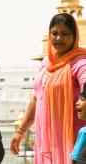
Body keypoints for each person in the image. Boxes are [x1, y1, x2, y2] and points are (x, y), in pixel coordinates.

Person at [10, 12, 86, 164]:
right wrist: (20, 131)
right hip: (46, 142)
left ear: (74, 36)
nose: (58, 38)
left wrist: (84, 99)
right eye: (54, 33)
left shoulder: (79, 61)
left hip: (70, 141)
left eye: (65, 34)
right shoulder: (46, 63)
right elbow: (36, 99)